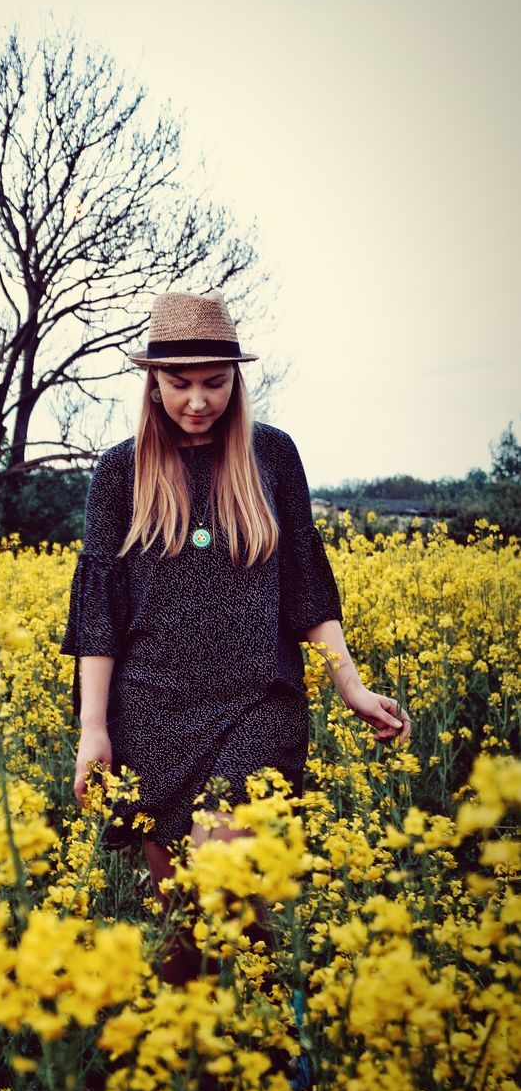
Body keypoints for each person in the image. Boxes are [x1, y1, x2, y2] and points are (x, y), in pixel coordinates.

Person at [61, 289, 411, 984]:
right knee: (180, 929)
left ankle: (280, 1054)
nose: (198, 400)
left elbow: (306, 589)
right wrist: (92, 729)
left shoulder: (272, 457)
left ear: (236, 379)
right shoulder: (119, 471)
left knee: (221, 877)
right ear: (152, 384)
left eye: (214, 383)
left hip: (258, 703)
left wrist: (350, 683)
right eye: (179, 384)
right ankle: (199, 1069)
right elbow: (99, 609)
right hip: (151, 714)